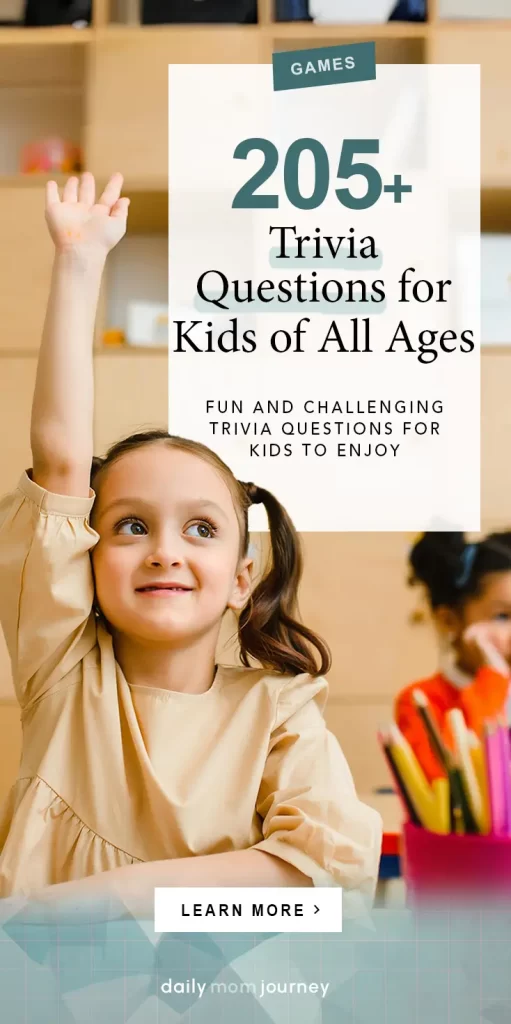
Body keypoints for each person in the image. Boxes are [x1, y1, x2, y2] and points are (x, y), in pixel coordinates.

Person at [0, 172, 381, 913]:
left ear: (241, 578)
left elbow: (323, 865)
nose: (164, 551)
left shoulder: (280, 708)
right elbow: (58, 464)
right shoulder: (63, 668)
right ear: (84, 553)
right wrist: (78, 262)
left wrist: (103, 898)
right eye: (130, 525)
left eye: (199, 529)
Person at [395, 531, 511, 781]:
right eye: (502, 616)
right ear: (450, 620)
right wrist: (492, 682)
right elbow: (451, 783)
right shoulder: (421, 701)